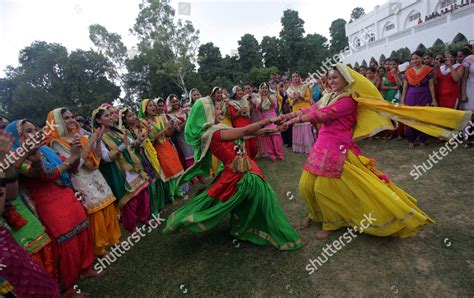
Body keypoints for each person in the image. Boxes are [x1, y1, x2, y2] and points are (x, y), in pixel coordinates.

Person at [280, 63, 471, 240]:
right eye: (329, 78)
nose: (331, 81)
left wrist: (294, 121)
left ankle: (331, 224)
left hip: (337, 147)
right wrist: (287, 116)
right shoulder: (328, 96)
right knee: (305, 185)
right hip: (321, 144)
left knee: (323, 188)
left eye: (336, 77)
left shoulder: (348, 100)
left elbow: (322, 114)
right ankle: (315, 214)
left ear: (346, 79)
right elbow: (312, 107)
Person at [163, 95, 303, 251]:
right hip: (241, 175)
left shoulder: (217, 129)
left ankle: (246, 228)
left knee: (251, 202)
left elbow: (246, 134)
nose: (219, 109)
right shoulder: (212, 134)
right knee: (267, 199)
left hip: (243, 168)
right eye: (215, 108)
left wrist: (271, 130)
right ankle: (284, 236)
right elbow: (245, 130)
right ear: (207, 114)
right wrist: (270, 120)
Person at [5, 120, 98, 295]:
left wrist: (76, 153)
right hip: (48, 205)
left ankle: (85, 268)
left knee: (82, 232)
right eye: (28, 131)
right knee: (65, 244)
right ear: (17, 137)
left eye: (35, 129)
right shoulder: (17, 160)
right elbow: (47, 175)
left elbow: (73, 168)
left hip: (67, 195)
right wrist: (71, 157)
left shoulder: (46, 150)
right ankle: (68, 288)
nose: (36, 133)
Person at [47, 108, 121, 257]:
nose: (72, 120)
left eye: (72, 116)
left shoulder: (79, 136)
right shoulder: (56, 143)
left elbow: (98, 157)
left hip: (95, 175)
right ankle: (99, 248)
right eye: (66, 118)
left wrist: (98, 140)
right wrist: (91, 141)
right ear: (57, 123)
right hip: (81, 180)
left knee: (107, 205)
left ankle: (113, 238)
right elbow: (75, 166)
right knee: (96, 212)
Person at [92, 107, 151, 233]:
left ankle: (144, 219)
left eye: (111, 114)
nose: (111, 117)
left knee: (142, 195)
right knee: (129, 201)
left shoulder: (117, 131)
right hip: (119, 172)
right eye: (106, 116)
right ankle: (132, 227)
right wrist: (123, 145)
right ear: (98, 120)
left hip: (132, 168)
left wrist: (140, 139)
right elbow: (106, 158)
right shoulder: (98, 138)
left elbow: (132, 143)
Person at [139, 99, 186, 201]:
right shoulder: (143, 123)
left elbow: (168, 134)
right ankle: (171, 196)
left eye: (153, 105)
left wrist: (171, 127)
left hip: (167, 146)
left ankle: (179, 192)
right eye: (150, 106)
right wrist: (165, 129)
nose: (153, 107)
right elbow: (151, 139)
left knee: (176, 168)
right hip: (158, 149)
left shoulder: (160, 118)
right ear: (144, 109)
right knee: (168, 171)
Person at [400, 51, 437, 148]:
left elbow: (431, 86)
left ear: (421, 58)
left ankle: (422, 140)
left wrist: (434, 100)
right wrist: (402, 101)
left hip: (424, 96)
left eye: (416, 58)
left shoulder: (429, 70)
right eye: (412, 59)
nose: (414, 60)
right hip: (410, 97)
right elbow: (404, 88)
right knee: (411, 118)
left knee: (423, 118)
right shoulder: (408, 72)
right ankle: (411, 140)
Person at [286, 72, 314, 154]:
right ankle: (298, 147)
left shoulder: (305, 87)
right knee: (297, 126)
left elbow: (309, 99)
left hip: (305, 108)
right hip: (295, 109)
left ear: (299, 77)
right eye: (293, 76)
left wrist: (301, 97)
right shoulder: (289, 90)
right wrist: (294, 100)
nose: (295, 78)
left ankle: (307, 146)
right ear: (292, 78)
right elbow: (289, 102)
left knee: (305, 126)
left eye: (296, 76)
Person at [227, 85, 258, 160]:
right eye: (238, 90)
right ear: (234, 93)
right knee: (245, 145)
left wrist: (251, 107)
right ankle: (248, 161)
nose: (240, 92)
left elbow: (248, 113)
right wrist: (239, 112)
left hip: (247, 122)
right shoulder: (231, 103)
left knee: (253, 145)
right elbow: (232, 117)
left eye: (241, 90)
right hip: (239, 124)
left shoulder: (245, 101)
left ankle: (252, 159)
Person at [258, 82, 284, 160]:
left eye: (266, 88)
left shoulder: (273, 96)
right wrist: (262, 100)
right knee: (267, 136)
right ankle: (271, 154)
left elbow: (274, 106)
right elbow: (259, 109)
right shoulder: (258, 98)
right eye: (263, 88)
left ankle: (279, 153)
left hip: (273, 117)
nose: (264, 89)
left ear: (268, 89)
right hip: (264, 118)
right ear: (261, 89)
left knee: (276, 136)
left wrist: (268, 97)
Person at [461, 54, 474, 148]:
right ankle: (467, 138)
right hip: (471, 88)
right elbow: (464, 79)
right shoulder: (468, 59)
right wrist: (463, 94)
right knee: (470, 115)